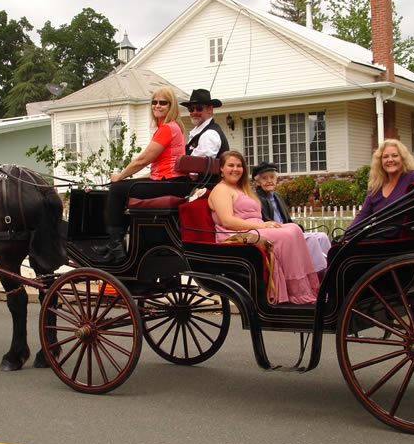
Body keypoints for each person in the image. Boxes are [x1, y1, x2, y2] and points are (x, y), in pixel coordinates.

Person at [208, 151, 320, 304]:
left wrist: (263, 226)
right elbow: (227, 221)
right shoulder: (221, 190)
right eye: (231, 165)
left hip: (254, 230)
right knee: (287, 235)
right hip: (235, 234)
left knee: (294, 229)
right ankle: (296, 292)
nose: (235, 169)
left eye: (239, 166)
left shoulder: (242, 189)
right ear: (221, 168)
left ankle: (308, 288)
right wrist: (262, 225)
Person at [93, 87, 190, 262]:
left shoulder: (167, 129)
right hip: (175, 182)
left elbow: (143, 159)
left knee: (116, 189)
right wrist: (138, 178)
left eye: (163, 103)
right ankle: (118, 243)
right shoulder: (174, 128)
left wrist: (121, 176)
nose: (157, 105)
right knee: (127, 187)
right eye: (154, 102)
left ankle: (115, 243)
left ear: (171, 106)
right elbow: (161, 166)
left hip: (171, 183)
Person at [253, 161, 331, 274]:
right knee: (311, 240)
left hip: (287, 230)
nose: (269, 181)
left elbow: (287, 220)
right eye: (264, 178)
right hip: (277, 235)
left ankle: (331, 267)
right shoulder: (258, 198)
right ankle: (320, 273)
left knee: (322, 236)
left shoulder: (277, 196)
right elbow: (266, 221)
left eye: (272, 177)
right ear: (258, 182)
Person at [350, 139, 414, 228]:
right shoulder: (376, 186)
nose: (390, 160)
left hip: (407, 237)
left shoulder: (413, 177)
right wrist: (345, 236)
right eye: (385, 157)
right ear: (380, 161)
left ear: (403, 158)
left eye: (395, 156)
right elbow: (362, 215)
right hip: (380, 238)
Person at [182, 89, 229, 158]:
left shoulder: (210, 134)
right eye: (191, 109)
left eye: (199, 108)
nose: (194, 112)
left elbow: (198, 164)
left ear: (210, 109)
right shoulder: (199, 132)